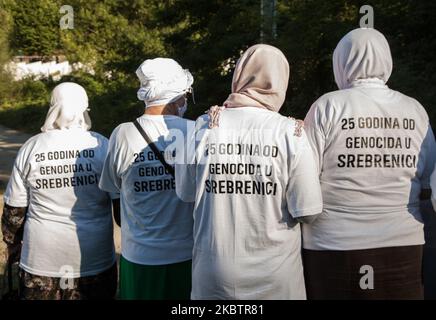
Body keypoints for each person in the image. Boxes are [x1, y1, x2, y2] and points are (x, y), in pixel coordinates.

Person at [175, 44, 323, 300]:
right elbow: (308, 211)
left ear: (240, 75)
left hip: (213, 274)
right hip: (276, 277)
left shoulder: (203, 126)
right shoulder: (292, 133)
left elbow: (186, 193)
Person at [303, 28, 436, 299]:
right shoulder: (415, 109)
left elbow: (304, 177)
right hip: (404, 245)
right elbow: (427, 182)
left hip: (333, 246)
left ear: (341, 61)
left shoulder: (327, 106)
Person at [1, 82, 117, 300]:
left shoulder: (32, 146)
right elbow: (121, 204)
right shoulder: (101, 145)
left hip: (41, 261)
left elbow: (14, 212)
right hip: (94, 259)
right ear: (85, 108)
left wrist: (13, 246)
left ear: (53, 108)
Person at [99, 58, 195, 300]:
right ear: (178, 95)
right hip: (190, 255)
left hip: (140, 257)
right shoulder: (197, 130)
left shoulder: (123, 134)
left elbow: (114, 192)